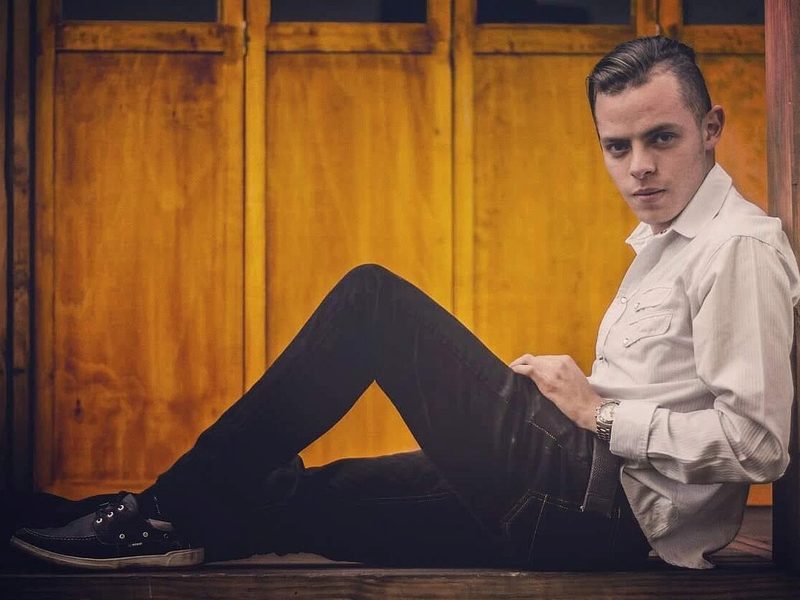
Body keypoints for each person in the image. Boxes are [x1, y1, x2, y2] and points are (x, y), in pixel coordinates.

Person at [9, 36, 800, 571]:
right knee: (309, 498)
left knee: (373, 303)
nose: (638, 168)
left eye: (661, 138)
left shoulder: (739, 246)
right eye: (616, 147)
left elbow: (759, 446)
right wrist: (581, 409)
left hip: (604, 512)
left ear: (711, 128)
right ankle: (95, 518)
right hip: (576, 488)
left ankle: (149, 514)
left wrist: (598, 412)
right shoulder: (666, 242)